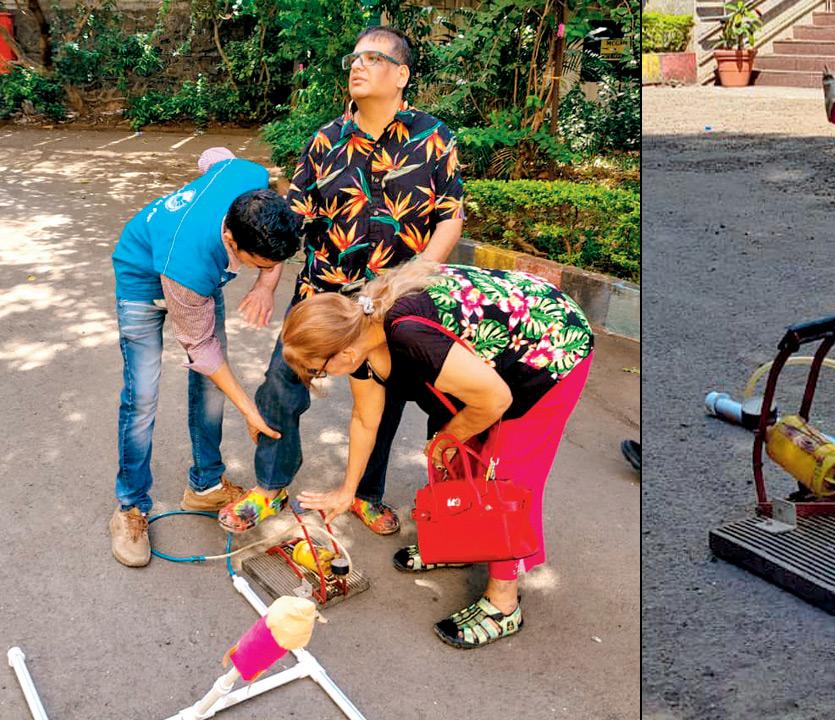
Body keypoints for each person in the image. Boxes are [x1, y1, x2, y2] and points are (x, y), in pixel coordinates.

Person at [221, 25, 464, 534]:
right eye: (354, 58)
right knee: (281, 386)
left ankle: (365, 493)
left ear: (401, 75)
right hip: (321, 296)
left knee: (384, 398)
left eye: (372, 58)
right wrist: (266, 283)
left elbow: (450, 215)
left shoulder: (434, 137)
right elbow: (290, 222)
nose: (357, 65)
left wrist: (418, 274)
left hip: (393, 304)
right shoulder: (325, 141)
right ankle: (270, 487)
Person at [280, 261, 594, 649]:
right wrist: (348, 491)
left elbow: (496, 398)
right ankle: (459, 543)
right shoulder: (358, 337)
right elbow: (365, 419)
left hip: (552, 346)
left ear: (342, 353)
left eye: (318, 370)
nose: (320, 378)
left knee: (505, 475)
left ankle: (504, 604)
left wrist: (446, 438)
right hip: (491, 354)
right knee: (455, 452)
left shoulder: (409, 336)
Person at [109, 150, 299, 567]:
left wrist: (267, 284)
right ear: (231, 240)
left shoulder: (247, 176)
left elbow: (213, 158)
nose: (266, 269)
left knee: (212, 391)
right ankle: (131, 506)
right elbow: (202, 351)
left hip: (193, 273)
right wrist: (250, 409)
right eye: (259, 265)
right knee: (142, 397)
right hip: (143, 281)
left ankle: (205, 486)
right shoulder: (190, 266)